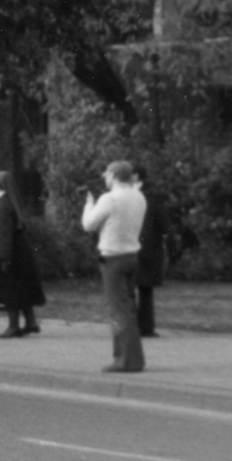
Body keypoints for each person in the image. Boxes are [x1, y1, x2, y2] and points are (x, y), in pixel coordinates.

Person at [80, 160, 148, 373]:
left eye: (107, 174)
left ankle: (124, 360)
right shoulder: (139, 196)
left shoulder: (109, 199)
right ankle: (134, 358)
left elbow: (89, 224)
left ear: (114, 175)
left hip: (112, 258)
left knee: (118, 310)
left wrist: (89, 205)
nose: (104, 177)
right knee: (129, 308)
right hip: (131, 255)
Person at [0, 169, 44, 337]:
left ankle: (14, 326)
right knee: (21, 288)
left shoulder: (2, 205)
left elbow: (4, 233)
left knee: (9, 289)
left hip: (9, 254)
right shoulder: (6, 202)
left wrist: (3, 258)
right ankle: (31, 321)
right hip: (19, 253)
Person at [133, 166, 168, 338]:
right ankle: (145, 326)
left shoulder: (118, 197)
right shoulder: (153, 198)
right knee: (145, 289)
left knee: (130, 288)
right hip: (148, 247)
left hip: (134, 248)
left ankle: (131, 325)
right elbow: (165, 225)